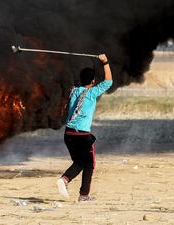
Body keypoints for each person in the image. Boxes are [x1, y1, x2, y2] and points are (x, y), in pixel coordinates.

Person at [57, 54, 113, 202]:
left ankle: (67, 182)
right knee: (89, 163)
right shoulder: (92, 92)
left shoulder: (74, 91)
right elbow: (109, 81)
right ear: (93, 82)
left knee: (80, 162)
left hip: (68, 134)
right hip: (82, 136)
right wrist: (105, 62)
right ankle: (79, 192)